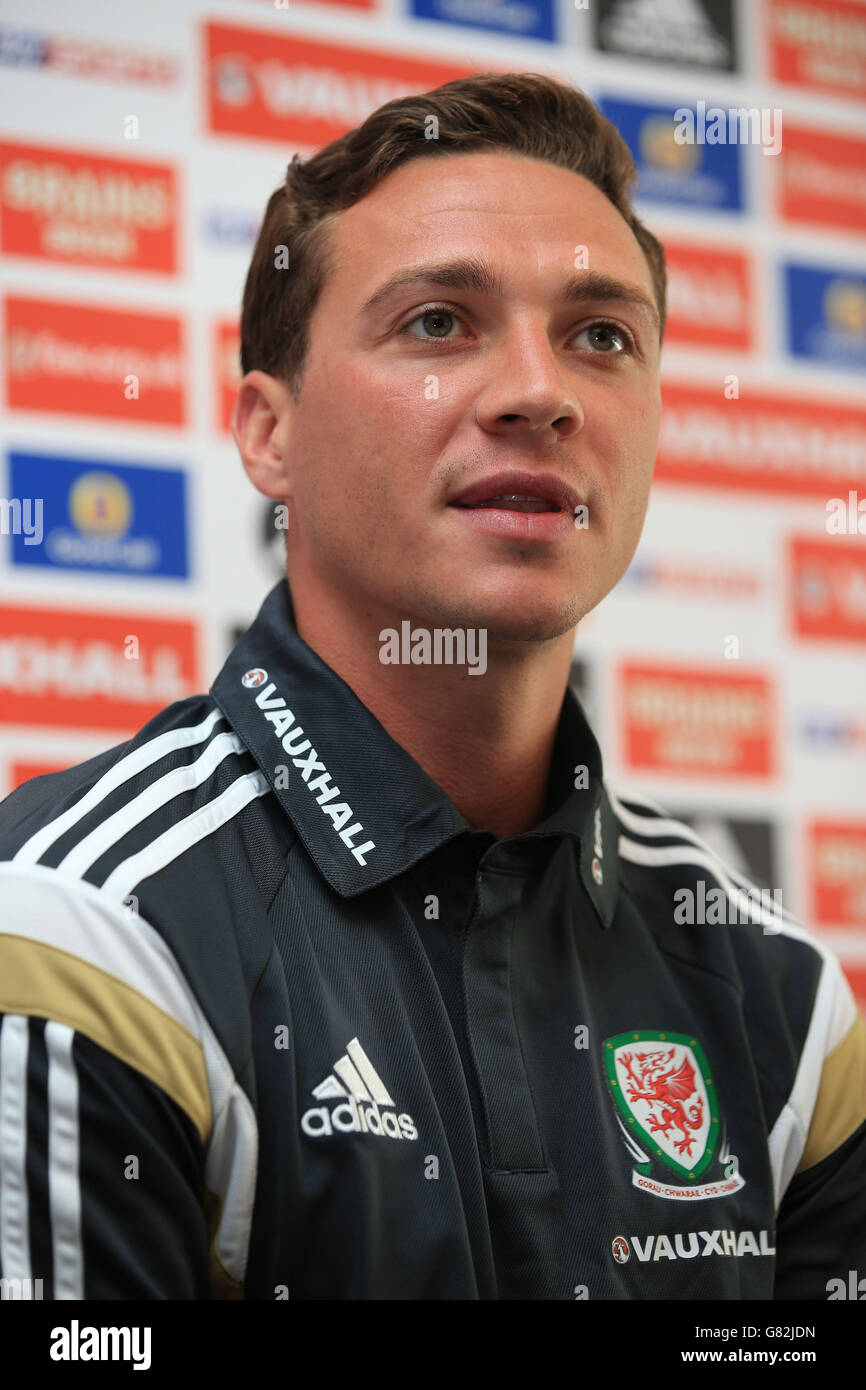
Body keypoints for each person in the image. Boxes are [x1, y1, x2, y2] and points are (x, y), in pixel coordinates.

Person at [0, 71, 863, 1302]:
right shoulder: (78, 930)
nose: (539, 392)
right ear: (267, 432)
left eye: (600, 335)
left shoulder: (783, 999)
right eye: (438, 323)